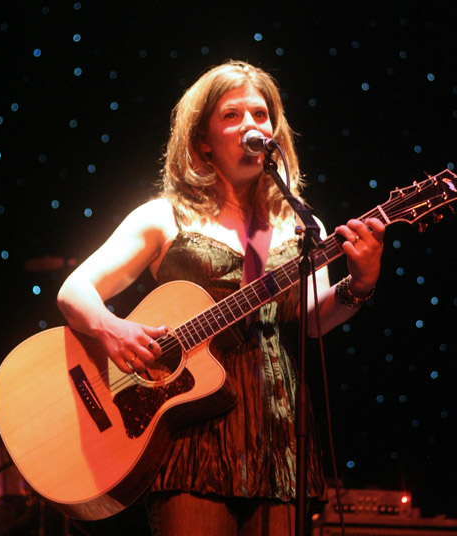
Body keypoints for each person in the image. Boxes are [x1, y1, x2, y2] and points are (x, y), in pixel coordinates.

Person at [57, 60, 385, 536]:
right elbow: (75, 291)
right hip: (193, 445)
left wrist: (361, 284)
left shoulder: (304, 228)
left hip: (280, 442)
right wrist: (114, 329)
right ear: (202, 141)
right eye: (232, 115)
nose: (251, 125)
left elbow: (312, 322)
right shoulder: (165, 218)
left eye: (260, 114)